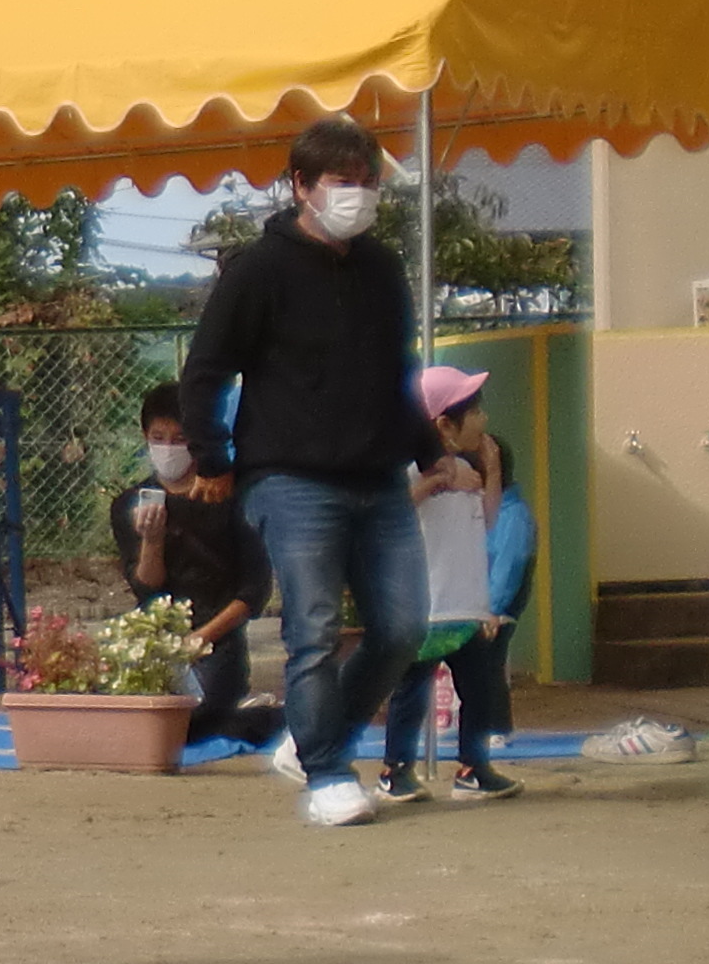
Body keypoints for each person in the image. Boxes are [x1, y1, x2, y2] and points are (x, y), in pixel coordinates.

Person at [174, 116, 459, 827]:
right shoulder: (258, 271)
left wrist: (431, 451)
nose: (357, 196)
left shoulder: (383, 270)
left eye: (367, 183)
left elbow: (399, 372)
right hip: (289, 479)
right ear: (300, 185)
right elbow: (207, 368)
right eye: (341, 183)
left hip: (379, 477)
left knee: (401, 628)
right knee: (315, 628)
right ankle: (329, 774)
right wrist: (213, 458)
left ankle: (309, 740)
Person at [378, 369, 529, 804]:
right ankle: (396, 770)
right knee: (411, 689)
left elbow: (489, 518)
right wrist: (435, 481)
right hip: (425, 606)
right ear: (444, 424)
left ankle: (473, 767)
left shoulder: (469, 468)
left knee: (480, 689)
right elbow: (392, 513)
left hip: (467, 605)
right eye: (475, 411)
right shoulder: (407, 468)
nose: (483, 420)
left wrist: (493, 469)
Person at [123, 381, 281, 748]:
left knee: (192, 725)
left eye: (178, 439)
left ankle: (261, 715)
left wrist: (199, 638)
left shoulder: (234, 498)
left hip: (214, 642)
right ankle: (241, 716)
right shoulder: (133, 504)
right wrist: (152, 538)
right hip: (157, 636)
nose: (167, 448)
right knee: (132, 717)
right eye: (158, 438)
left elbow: (254, 591)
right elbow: (147, 587)